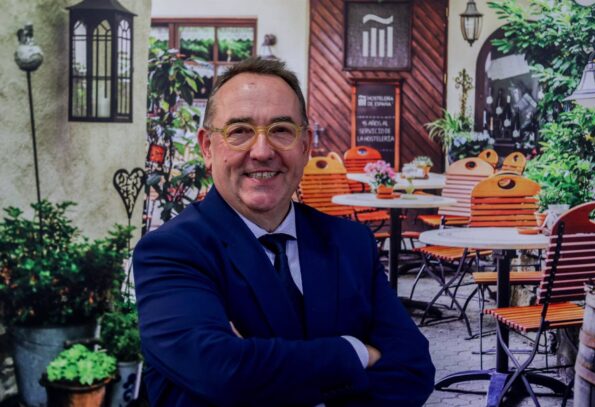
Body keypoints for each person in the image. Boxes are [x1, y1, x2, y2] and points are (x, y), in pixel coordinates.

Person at [133, 57, 435, 406]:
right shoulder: (171, 251)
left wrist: (258, 368)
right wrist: (355, 351)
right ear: (207, 148)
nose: (262, 151)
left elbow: (413, 369)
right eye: (239, 131)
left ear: (305, 146)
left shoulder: (351, 244)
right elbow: (221, 371)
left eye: (281, 130)